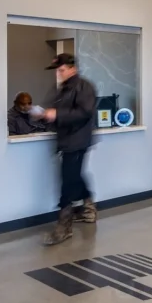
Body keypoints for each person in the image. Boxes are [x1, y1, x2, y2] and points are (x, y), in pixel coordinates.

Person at [40, 53, 98, 245]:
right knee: (74, 176)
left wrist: (57, 114)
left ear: (73, 69)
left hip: (77, 140)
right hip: (67, 141)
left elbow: (84, 112)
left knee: (68, 181)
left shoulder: (84, 87)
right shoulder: (62, 89)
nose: (59, 73)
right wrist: (46, 115)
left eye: (62, 70)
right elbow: (61, 113)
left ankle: (64, 227)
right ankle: (89, 209)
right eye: (57, 70)